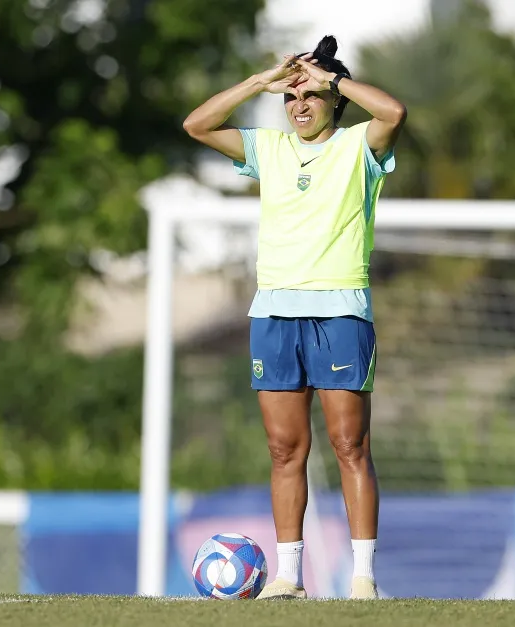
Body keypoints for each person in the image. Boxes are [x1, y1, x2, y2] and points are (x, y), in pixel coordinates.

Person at [183, 34, 406, 600]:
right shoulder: (269, 149)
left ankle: (362, 578)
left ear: (334, 101)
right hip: (274, 313)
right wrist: (260, 81)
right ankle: (288, 577)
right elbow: (197, 125)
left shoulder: (359, 146)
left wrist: (332, 78)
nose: (299, 105)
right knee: (285, 450)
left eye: (311, 95)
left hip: (340, 312)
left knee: (350, 445)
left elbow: (394, 112)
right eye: (291, 97)